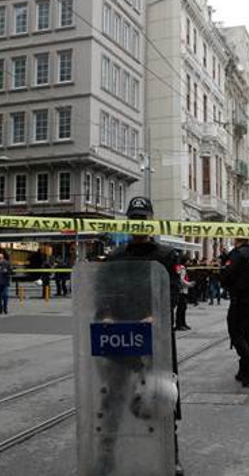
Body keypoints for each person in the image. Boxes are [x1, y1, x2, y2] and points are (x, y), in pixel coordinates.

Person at [107, 196, 184, 475]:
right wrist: (105, 314)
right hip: (121, 337)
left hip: (156, 337)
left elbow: (173, 291)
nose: (138, 224)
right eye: (134, 219)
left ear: (151, 221)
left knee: (162, 395)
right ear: (129, 222)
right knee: (113, 397)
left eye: (143, 219)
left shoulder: (166, 255)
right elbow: (104, 292)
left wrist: (158, 314)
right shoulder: (116, 256)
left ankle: (171, 454)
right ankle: (107, 457)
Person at [220, 238, 249, 387]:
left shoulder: (238, 254)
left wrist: (222, 276)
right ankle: (244, 372)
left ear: (236, 240)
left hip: (240, 299)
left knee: (236, 333)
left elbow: (227, 276)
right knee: (248, 335)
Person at [174, 255, 193, 330]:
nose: (189, 262)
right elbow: (181, 279)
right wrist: (189, 284)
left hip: (184, 290)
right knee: (181, 308)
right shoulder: (181, 268)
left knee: (183, 307)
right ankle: (179, 324)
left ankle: (183, 323)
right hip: (181, 290)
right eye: (188, 260)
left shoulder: (183, 267)